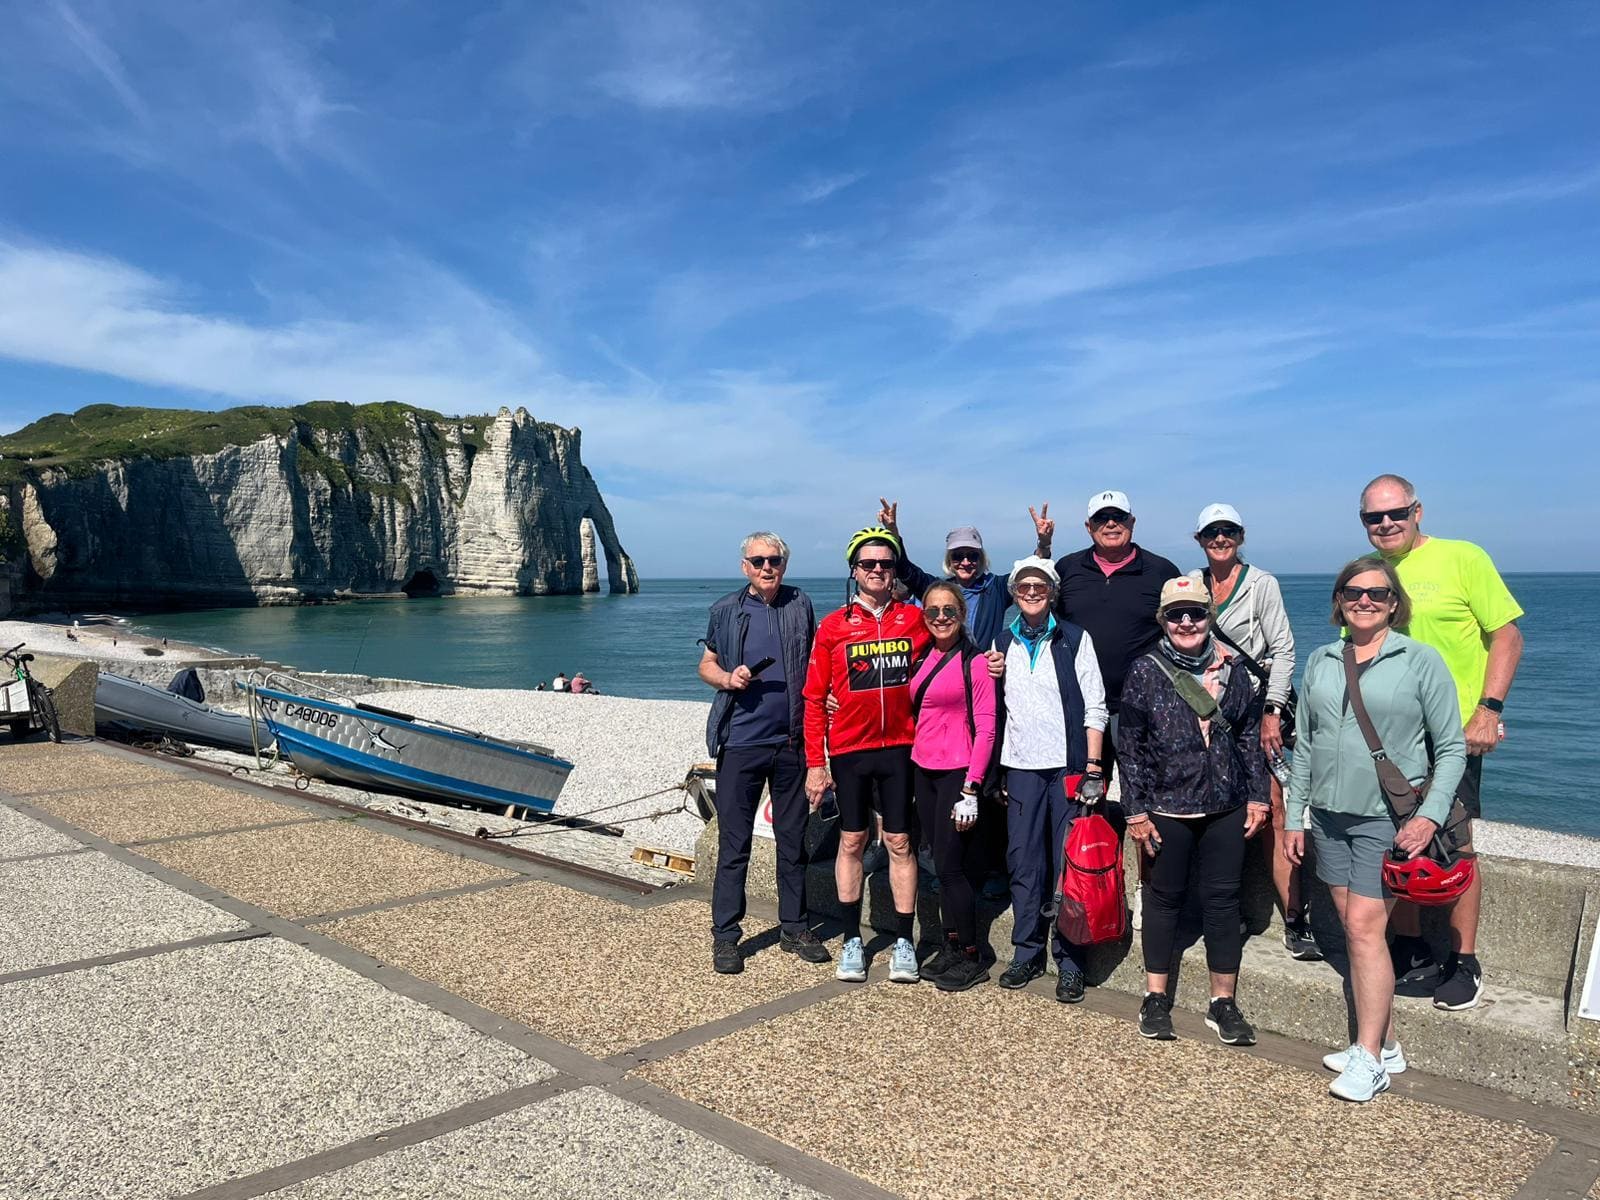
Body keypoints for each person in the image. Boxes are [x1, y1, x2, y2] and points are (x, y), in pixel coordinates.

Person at [1284, 556, 1467, 1101]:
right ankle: (1386, 1046)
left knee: (1364, 929)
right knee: (1354, 928)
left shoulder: (1419, 660)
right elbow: (1306, 744)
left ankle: (1369, 1059)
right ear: (1339, 600)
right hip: (1328, 816)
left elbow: (1451, 748)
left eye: (1378, 593)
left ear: (1394, 604)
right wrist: (1295, 815)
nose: (1365, 601)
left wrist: (1429, 814)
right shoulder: (1321, 660)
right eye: (1354, 592)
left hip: (1384, 819)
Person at [1359, 474, 1523, 1012]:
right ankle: (1410, 947)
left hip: (1451, 736)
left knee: (1455, 844)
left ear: (1418, 511)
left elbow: (1507, 635)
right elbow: (1354, 653)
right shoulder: (1369, 575)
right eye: (1374, 517)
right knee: (1396, 839)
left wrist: (1489, 710)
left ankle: (1464, 959)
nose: (1386, 524)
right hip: (1388, 739)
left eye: (1396, 513)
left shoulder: (1463, 557)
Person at [1120, 572, 1270, 1046]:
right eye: (1176, 615)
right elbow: (1131, 746)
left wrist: (1259, 795)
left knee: (1223, 902)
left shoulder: (1235, 669)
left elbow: (1248, 737)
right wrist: (1135, 811)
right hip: (1166, 806)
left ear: (1210, 615)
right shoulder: (1145, 670)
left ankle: (1222, 1002)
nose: (1186, 622)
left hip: (1226, 804)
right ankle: (1155, 997)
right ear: (1162, 620)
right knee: (1163, 900)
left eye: (1196, 613)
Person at [804, 526, 932, 984]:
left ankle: (904, 941)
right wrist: (815, 764)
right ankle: (850, 940)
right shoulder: (833, 626)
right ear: (854, 571)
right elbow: (813, 698)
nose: (877, 570)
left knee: (899, 843)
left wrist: (991, 663)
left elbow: (953, 652)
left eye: (885, 563)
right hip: (850, 750)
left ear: (895, 571)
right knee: (852, 841)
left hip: (900, 749)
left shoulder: (916, 620)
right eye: (868, 563)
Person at [698, 532, 830, 975]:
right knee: (734, 844)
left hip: (791, 742)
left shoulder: (800, 604)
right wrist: (726, 679)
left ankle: (795, 928)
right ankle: (725, 936)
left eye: (774, 560)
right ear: (745, 567)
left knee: (793, 842)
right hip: (740, 743)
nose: (767, 567)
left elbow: (815, 662)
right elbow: (706, 664)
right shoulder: (725, 610)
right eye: (758, 561)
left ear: (784, 565)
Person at [989, 557, 1109, 1002]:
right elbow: (993, 707)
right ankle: (1027, 952)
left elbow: (1095, 704)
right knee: (1024, 862)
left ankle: (1071, 962)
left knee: (1068, 865)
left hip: (1068, 768)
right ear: (1015, 593)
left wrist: (1093, 767)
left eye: (1040, 585)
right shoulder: (1002, 643)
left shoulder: (1075, 638)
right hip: (1021, 767)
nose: (1032, 592)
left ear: (1052, 591)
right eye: (1024, 586)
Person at [1192, 502, 1309, 959]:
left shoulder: (1262, 584)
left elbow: (1283, 649)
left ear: (1240, 536)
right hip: (1207, 708)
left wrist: (1273, 712)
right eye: (1211, 532)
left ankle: (1296, 918)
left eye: (1228, 531)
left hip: (1256, 708)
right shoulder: (1192, 581)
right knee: (1213, 807)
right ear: (1200, 539)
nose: (1220, 538)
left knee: (1275, 807)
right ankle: (1224, 909)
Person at [1035, 490, 1181, 782]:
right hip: (1080, 703)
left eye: (1118, 516)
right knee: (1084, 789)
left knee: (1144, 787)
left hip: (1142, 705)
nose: (1111, 523)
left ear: (1132, 522)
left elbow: (1184, 632)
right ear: (1088, 527)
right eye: (1101, 518)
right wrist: (1043, 546)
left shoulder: (1162, 571)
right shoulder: (1067, 568)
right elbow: (1034, 601)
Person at [909, 581, 998, 991]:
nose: (941, 618)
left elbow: (987, 728)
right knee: (939, 865)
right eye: (933, 611)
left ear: (961, 614)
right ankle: (951, 943)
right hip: (923, 769)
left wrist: (971, 788)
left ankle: (972, 955)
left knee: (950, 867)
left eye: (949, 610)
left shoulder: (975, 662)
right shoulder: (921, 656)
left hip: (957, 772)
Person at [875, 498, 1051, 650]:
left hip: (984, 670)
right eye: (958, 556)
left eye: (972, 556)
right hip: (949, 668)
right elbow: (906, 570)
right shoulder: (937, 589)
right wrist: (893, 534)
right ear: (949, 560)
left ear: (981, 558)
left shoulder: (996, 588)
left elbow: (1030, 571)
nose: (965, 562)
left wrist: (1043, 544)